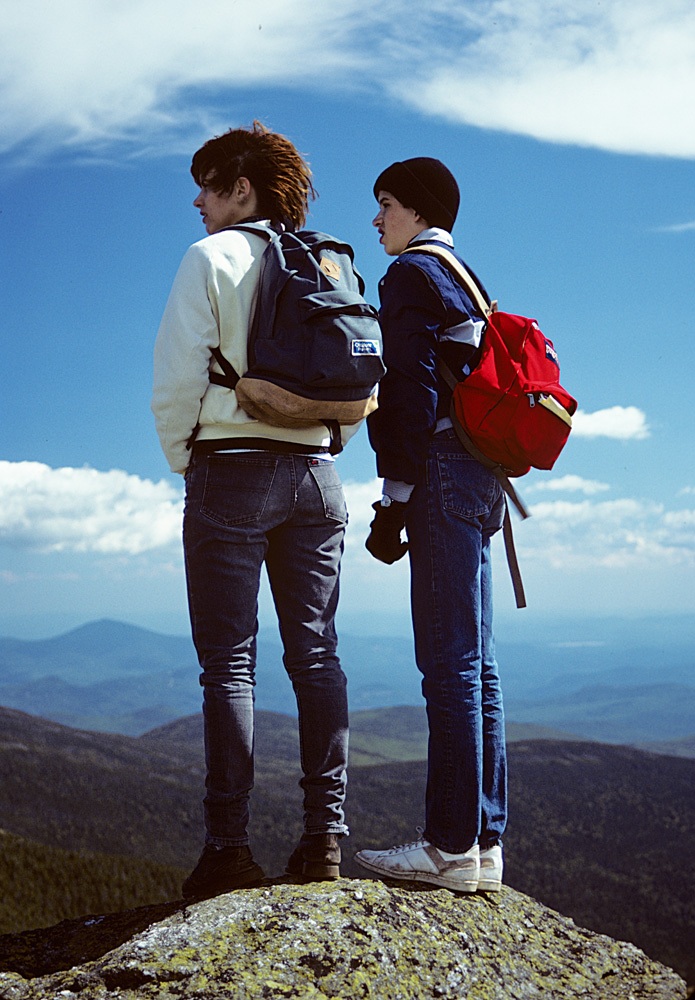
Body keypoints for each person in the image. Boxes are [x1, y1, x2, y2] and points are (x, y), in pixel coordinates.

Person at [152, 122, 352, 900]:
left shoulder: (211, 257)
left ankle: (228, 848)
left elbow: (174, 381)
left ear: (243, 189)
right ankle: (324, 839)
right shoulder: (329, 260)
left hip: (230, 469)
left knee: (230, 665)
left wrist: (188, 463)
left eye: (208, 186)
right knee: (316, 655)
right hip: (317, 474)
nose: (198, 203)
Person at [354, 157, 507, 893]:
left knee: (446, 663)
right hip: (483, 478)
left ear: (414, 210)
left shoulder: (409, 274)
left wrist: (392, 501)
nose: (376, 218)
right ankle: (482, 843)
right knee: (478, 665)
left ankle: (448, 847)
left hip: (441, 471)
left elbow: (406, 390)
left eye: (384, 204)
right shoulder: (465, 274)